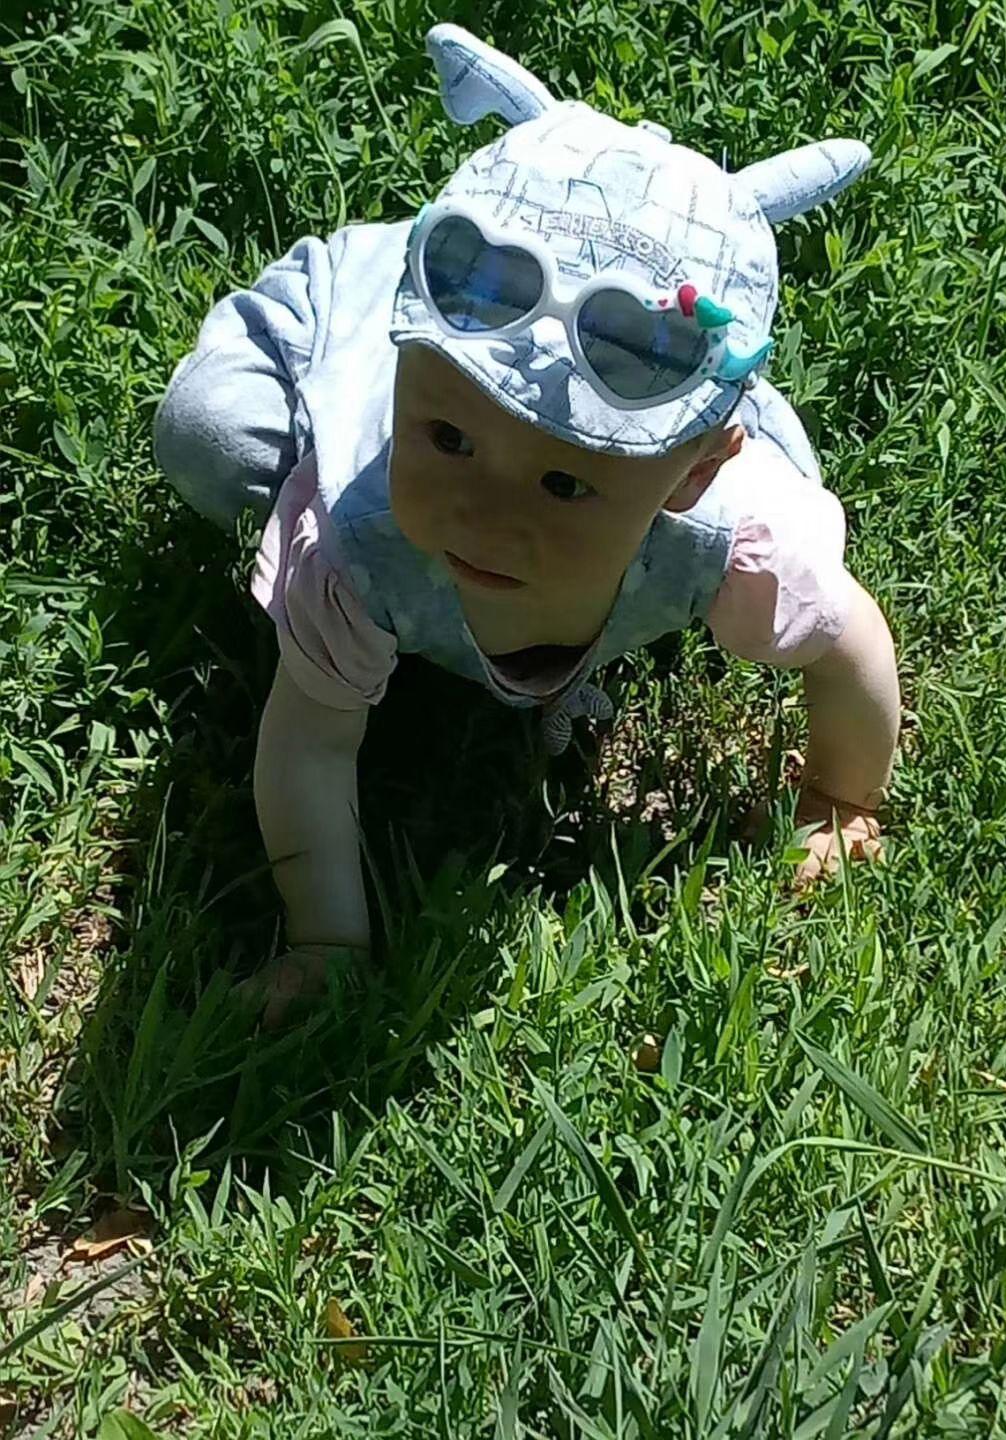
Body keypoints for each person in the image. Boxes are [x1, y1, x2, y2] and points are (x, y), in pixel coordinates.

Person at [154, 24, 899, 1024]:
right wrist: (325, 944)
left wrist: (841, 804)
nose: (485, 517)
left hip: (632, 410)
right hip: (356, 317)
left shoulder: (732, 536)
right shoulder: (357, 543)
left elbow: (850, 646)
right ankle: (393, 265)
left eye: (563, 484)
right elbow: (308, 747)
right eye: (449, 440)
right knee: (208, 436)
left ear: (693, 473)